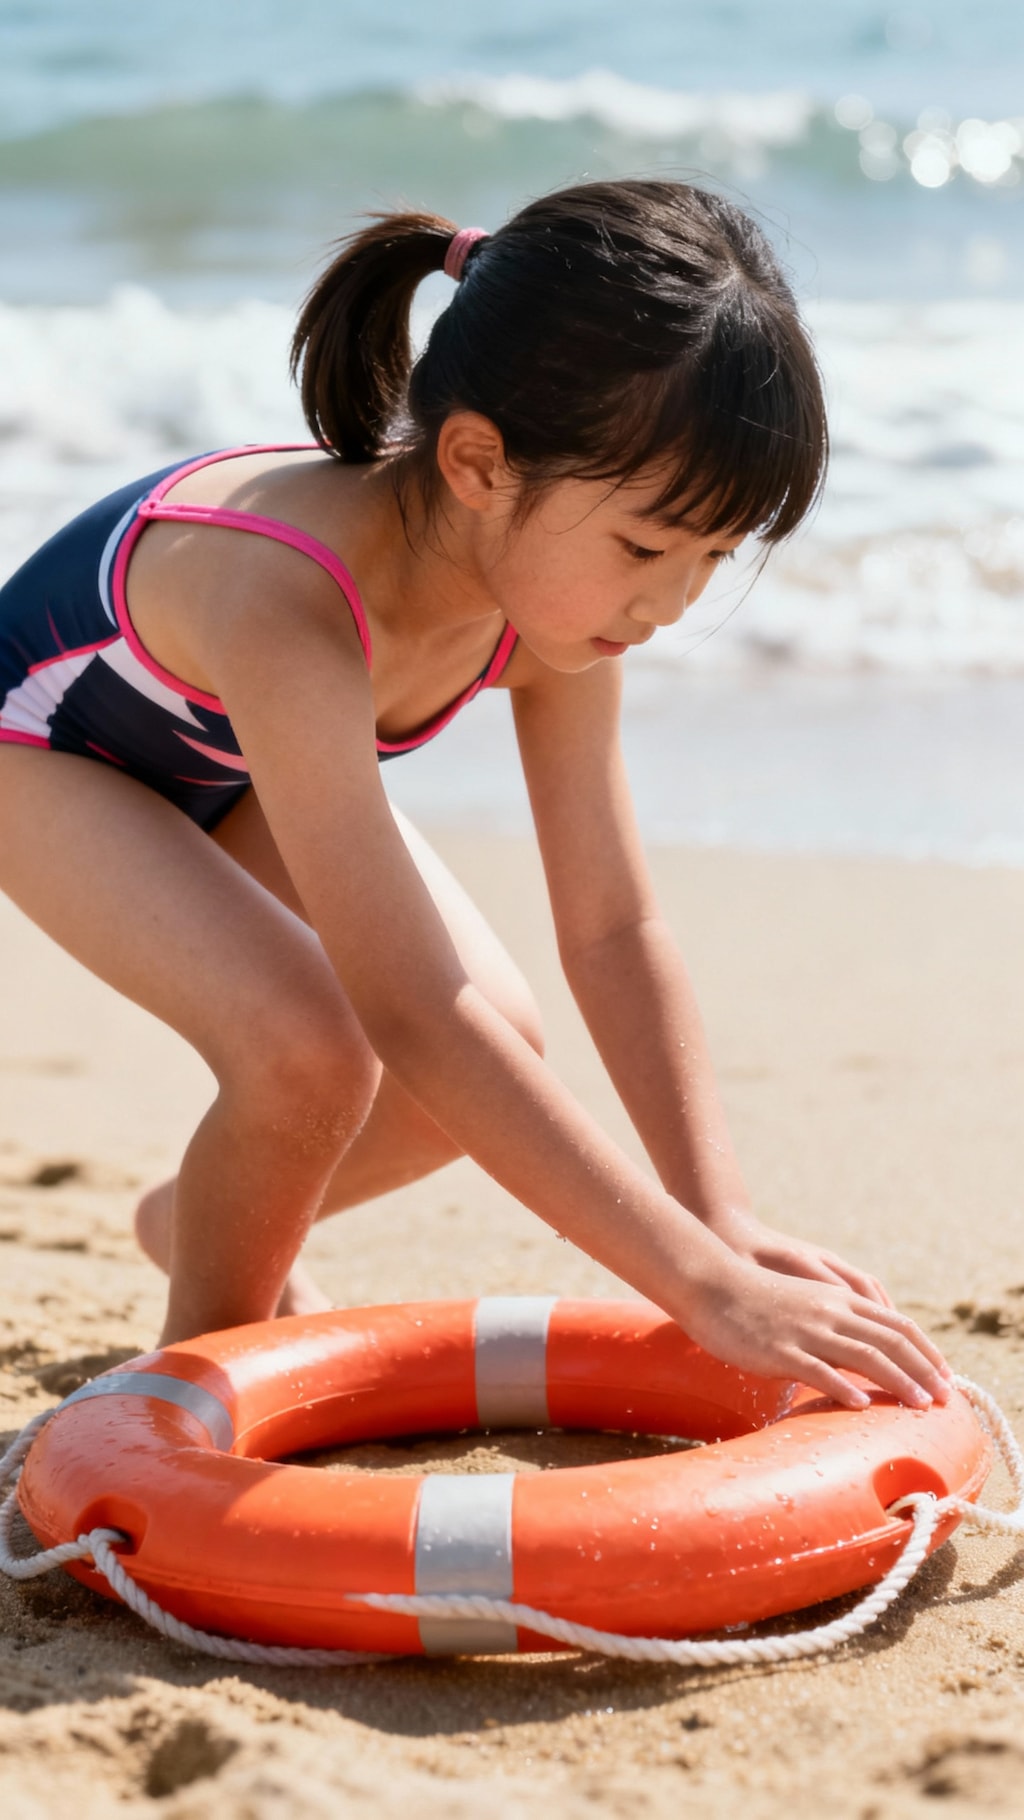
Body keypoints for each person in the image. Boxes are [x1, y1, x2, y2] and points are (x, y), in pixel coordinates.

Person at [0, 179, 948, 1412]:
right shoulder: (287, 605)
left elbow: (613, 924)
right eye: (645, 546)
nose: (671, 604)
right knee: (311, 1048)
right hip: (47, 748)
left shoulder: (554, 615)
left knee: (495, 1038)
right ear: (478, 464)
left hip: (223, 756)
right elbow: (408, 1010)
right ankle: (186, 1390)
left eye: (713, 555)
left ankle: (200, 1220)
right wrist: (697, 1285)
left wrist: (717, 1217)